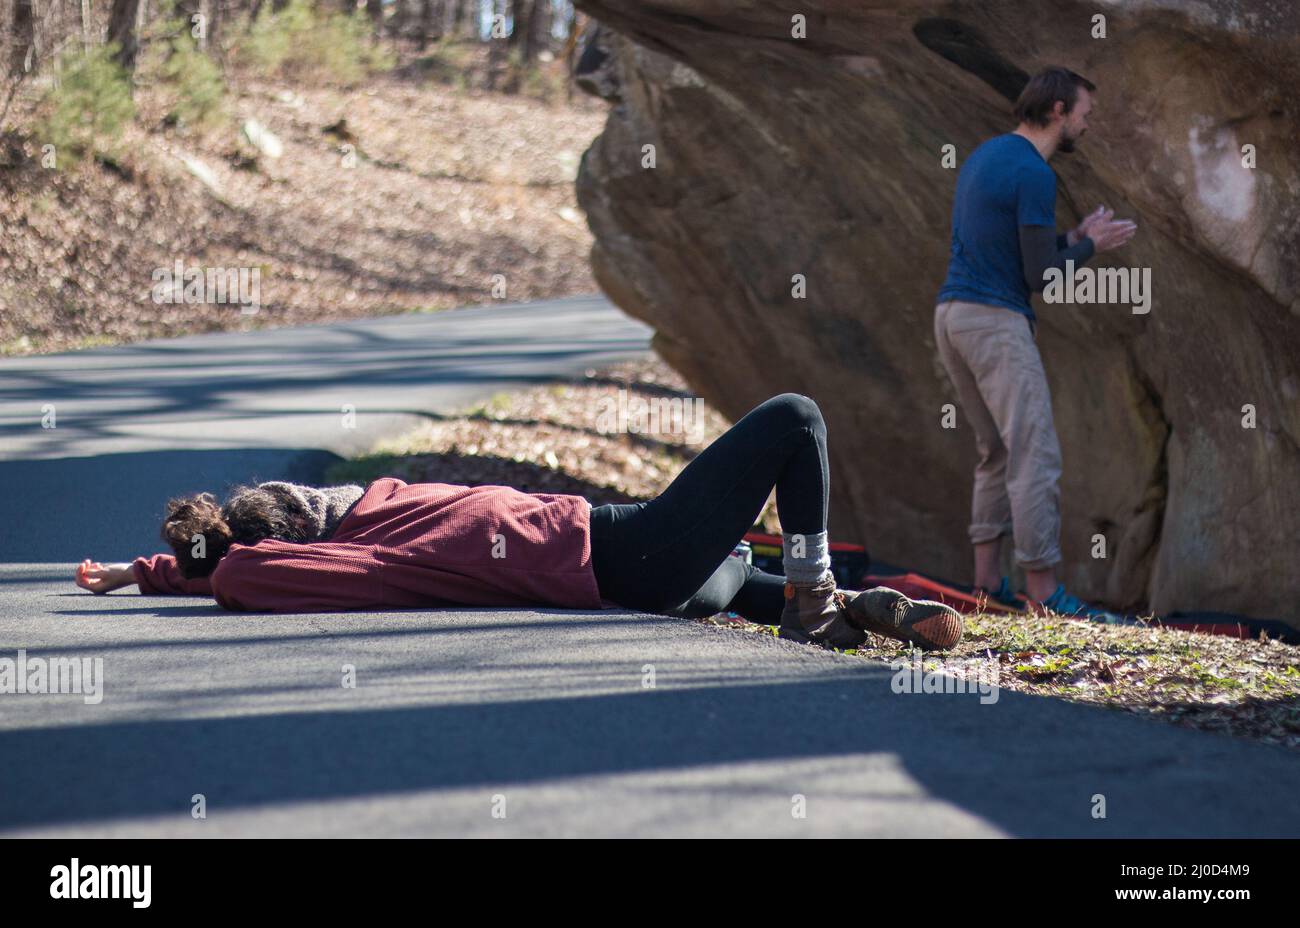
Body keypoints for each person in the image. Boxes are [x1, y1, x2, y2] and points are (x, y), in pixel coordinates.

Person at [75, 394, 963, 652]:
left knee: (740, 581)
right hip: (632, 557)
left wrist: (155, 571)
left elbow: (229, 558)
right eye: (312, 509)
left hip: (668, 569)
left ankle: (843, 608)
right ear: (305, 535)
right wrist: (188, 571)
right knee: (797, 418)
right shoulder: (370, 551)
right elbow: (241, 573)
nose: (326, 500)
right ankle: (816, 600)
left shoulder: (371, 512)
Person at [933, 67, 1138, 619]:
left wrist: (1072, 238)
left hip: (951, 316)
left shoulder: (988, 155)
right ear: (1058, 112)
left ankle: (985, 583)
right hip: (994, 322)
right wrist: (1091, 248)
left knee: (994, 451)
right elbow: (1038, 277)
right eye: (1084, 114)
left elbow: (1009, 244)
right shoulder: (1036, 174)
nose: (1086, 126)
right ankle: (1045, 590)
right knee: (1034, 452)